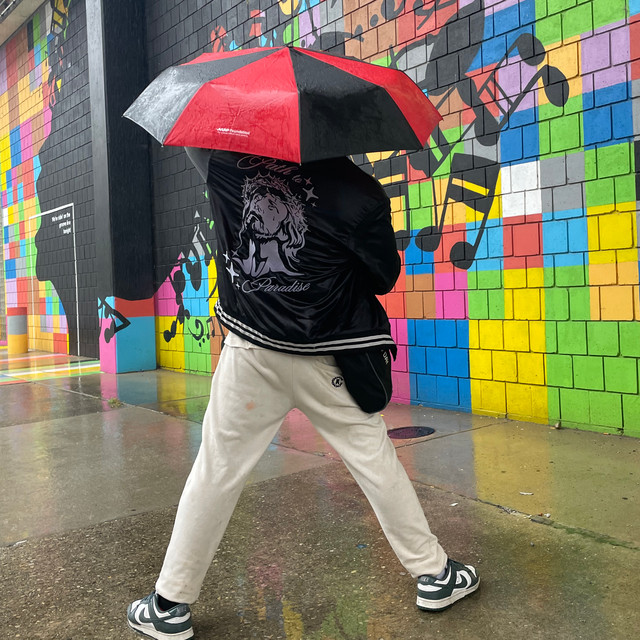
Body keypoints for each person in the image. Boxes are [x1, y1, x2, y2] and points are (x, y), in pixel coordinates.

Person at [127, 148, 479, 639]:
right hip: (329, 354)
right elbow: (383, 277)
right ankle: (435, 575)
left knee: (216, 469)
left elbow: (194, 146)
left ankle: (169, 605)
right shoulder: (360, 193)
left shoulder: (224, 167)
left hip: (250, 352)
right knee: (373, 460)